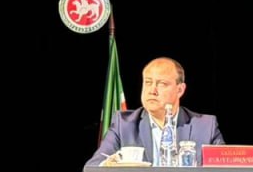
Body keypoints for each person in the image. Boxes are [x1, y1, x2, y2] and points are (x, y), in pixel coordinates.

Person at [88, 57, 225, 166]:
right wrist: (112, 164)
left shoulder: (205, 127)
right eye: (148, 82)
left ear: (180, 90)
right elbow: (94, 167)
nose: (152, 90)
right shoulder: (124, 125)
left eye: (162, 84)